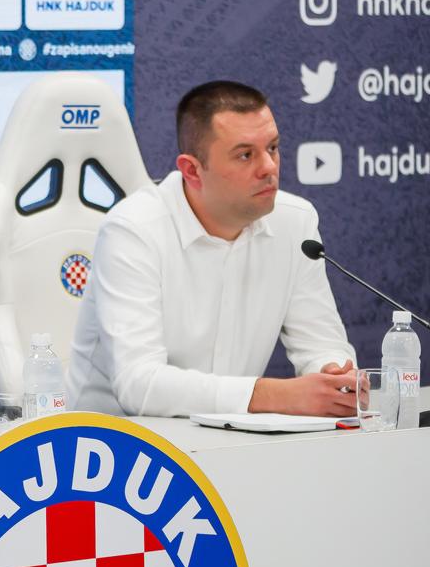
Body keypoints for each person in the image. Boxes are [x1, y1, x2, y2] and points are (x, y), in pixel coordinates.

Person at [68, 80, 357, 417]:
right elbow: (139, 385)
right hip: (115, 441)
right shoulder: (133, 231)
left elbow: (321, 343)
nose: (269, 167)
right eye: (245, 155)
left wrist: (334, 378)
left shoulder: (295, 222)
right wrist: (275, 395)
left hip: (230, 437)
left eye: (273, 148)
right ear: (192, 170)